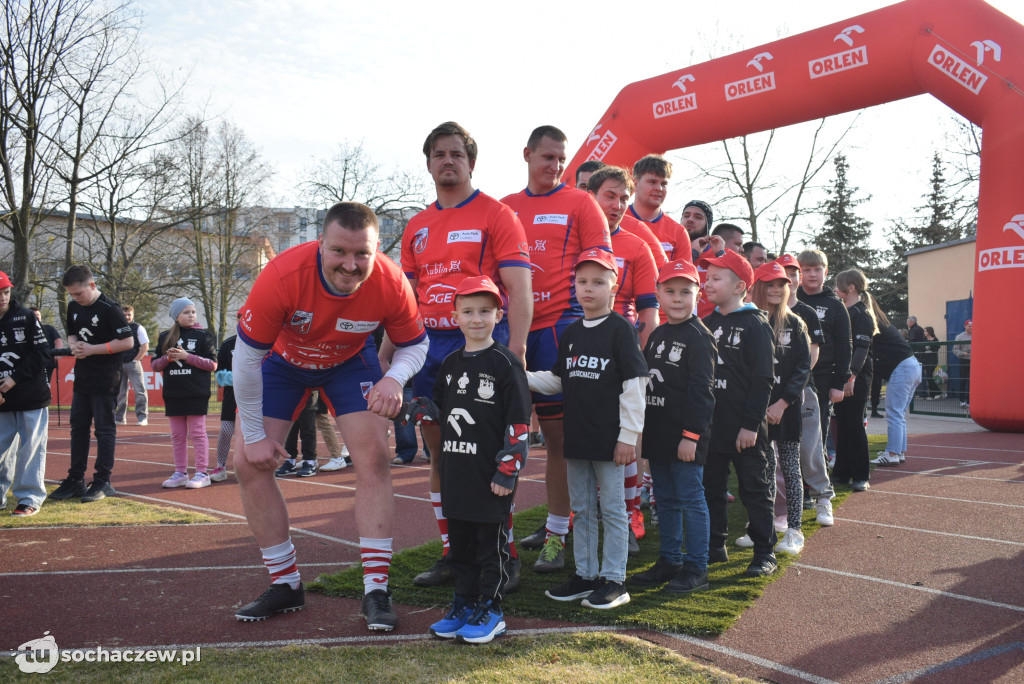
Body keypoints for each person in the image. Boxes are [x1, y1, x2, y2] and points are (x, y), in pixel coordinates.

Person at [231, 202, 427, 632]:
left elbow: (415, 343)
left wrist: (394, 379)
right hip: (283, 363)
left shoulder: (391, 280)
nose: (351, 265)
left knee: (374, 456)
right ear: (320, 243)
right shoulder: (282, 275)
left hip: (349, 363)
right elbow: (245, 361)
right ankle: (285, 583)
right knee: (247, 461)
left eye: (362, 254)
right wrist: (254, 434)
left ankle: (376, 589)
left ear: (378, 249)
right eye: (339, 251)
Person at [398, 122, 531, 588]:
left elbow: (519, 288)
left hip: (480, 346)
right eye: (438, 154)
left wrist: (516, 351)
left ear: (471, 162)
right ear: (429, 163)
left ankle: (503, 554)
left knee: (489, 454)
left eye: (456, 153)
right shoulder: (416, 225)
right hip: (429, 350)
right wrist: (389, 356)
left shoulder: (497, 214)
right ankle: (453, 554)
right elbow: (405, 300)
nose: (447, 161)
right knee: (443, 455)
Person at [530, 249, 647, 610]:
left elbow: (635, 384)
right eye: (582, 281)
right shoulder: (571, 333)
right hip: (577, 437)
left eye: (598, 282)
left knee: (612, 510)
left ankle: (614, 580)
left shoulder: (621, 330)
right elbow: (557, 380)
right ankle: (585, 575)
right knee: (581, 508)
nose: (588, 288)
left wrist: (628, 437)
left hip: (610, 440)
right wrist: (519, 375)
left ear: (614, 287)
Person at [421, 276, 530, 644]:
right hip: (456, 472)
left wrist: (508, 469)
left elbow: (519, 422)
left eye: (485, 311)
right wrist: (419, 409)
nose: (476, 318)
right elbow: (441, 410)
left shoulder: (505, 363)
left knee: (490, 548)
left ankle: (491, 610)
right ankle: (464, 604)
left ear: (499, 315)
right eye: (468, 311)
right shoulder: (450, 363)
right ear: (455, 317)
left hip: (491, 476)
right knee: (461, 546)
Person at [587, 164, 659, 550]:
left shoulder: (636, 246)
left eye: (623, 198)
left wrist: (638, 361)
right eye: (609, 196)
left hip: (622, 353)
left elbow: (649, 309)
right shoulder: (573, 241)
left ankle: (631, 515)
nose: (616, 205)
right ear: (592, 197)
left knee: (626, 439)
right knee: (578, 440)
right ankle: (571, 520)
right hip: (579, 351)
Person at [630, 260, 714, 593]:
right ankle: (670, 559)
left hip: (685, 437)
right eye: (670, 291)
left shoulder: (700, 337)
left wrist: (691, 436)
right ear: (658, 294)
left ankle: (697, 567)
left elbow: (702, 392)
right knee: (664, 498)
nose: (677, 298)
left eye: (685, 292)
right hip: (658, 432)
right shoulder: (658, 334)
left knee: (690, 499)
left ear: (698, 294)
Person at [700, 250, 777, 577]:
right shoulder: (706, 323)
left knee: (754, 490)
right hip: (712, 428)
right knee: (711, 488)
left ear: (739, 286)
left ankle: (765, 552)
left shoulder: (755, 324)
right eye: (706, 278)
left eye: (716, 278)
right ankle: (715, 545)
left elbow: (763, 379)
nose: (707, 284)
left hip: (746, 430)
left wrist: (750, 425)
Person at [49, 265, 133, 503]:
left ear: (92, 285)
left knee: (104, 429)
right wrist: (74, 344)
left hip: (106, 377)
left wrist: (93, 349)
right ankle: (75, 479)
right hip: (83, 376)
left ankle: (103, 481)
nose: (75, 298)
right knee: (78, 427)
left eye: (79, 293)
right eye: (71, 294)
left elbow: (127, 342)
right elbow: (72, 332)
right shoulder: (74, 307)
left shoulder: (110, 309)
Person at [748, 262, 811, 554]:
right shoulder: (750, 321)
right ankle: (764, 526)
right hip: (756, 410)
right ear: (758, 287)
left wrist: (783, 403)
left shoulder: (795, 323)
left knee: (790, 467)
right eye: (770, 284)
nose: (776, 290)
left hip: (786, 409)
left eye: (781, 285)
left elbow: (802, 368)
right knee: (763, 469)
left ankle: (795, 530)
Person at [774, 254, 834, 526]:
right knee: (777, 457)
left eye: (793, 273)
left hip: (802, 391)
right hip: (772, 393)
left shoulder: (807, 313)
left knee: (810, 449)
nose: (789, 279)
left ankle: (823, 498)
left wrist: (793, 388)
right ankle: (781, 510)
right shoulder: (764, 312)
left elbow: (812, 356)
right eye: (783, 274)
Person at [0, 273, 52, 516]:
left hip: (31, 395)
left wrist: (15, 378)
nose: (2, 298)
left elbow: (42, 353)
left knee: (30, 449)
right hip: (2, 399)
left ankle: (29, 498)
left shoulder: (26, 316)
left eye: (5, 292)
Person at [152, 298, 218, 489]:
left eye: (193, 312)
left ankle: (202, 473)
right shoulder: (165, 336)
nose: (191, 315)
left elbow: (212, 365)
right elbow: (155, 365)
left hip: (196, 392)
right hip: (173, 393)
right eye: (186, 312)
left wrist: (187, 357)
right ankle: (180, 473)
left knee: (197, 433)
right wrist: (167, 358)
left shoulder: (204, 336)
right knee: (177, 435)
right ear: (176, 316)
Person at [796, 250, 851, 473]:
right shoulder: (790, 299)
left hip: (822, 378)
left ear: (825, 272)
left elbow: (844, 346)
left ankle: (817, 482)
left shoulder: (835, 305)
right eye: (806, 270)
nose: (812, 274)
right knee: (791, 433)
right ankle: (794, 482)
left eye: (817, 269)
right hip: (790, 377)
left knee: (817, 432)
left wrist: (839, 383)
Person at [831, 269, 877, 492]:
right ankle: (842, 472)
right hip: (842, 376)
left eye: (838, 285)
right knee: (842, 425)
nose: (834, 288)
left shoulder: (862, 314)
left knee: (855, 426)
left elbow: (861, 349)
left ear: (850, 288)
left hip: (856, 379)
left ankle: (861, 475)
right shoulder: (843, 310)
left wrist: (851, 376)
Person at [869, 302, 921, 467]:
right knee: (899, 414)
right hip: (911, 366)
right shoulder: (882, 322)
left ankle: (892, 454)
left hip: (902, 368)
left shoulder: (872, 322)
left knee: (894, 414)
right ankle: (898, 452)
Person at [629, 155, 692, 262]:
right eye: (652, 182)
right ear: (635, 184)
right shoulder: (615, 221)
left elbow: (684, 272)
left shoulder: (678, 232)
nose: (659, 188)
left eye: (664, 184)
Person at [114, 305, 150, 426]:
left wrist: (135, 360)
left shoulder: (138, 328)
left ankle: (142, 417)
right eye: (124, 314)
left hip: (133, 364)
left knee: (139, 391)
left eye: (129, 314)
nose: (127, 317)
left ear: (133, 315)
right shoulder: (116, 327)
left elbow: (145, 346)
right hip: (119, 365)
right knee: (120, 393)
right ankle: (120, 418)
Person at [212, 330, 236, 482]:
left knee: (250, 434)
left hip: (256, 397)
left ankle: (248, 467)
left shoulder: (263, 342)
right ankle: (221, 466)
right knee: (226, 431)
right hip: (232, 396)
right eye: (241, 319)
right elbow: (219, 373)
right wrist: (239, 378)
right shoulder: (228, 344)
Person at [29, 307, 63, 385]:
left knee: (47, 384)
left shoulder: (48, 328)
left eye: (38, 315)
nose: (37, 317)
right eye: (34, 315)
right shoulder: (26, 330)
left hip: (48, 362)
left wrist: (58, 352)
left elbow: (58, 340)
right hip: (32, 363)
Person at [921, 326, 944, 400]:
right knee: (929, 377)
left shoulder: (935, 340)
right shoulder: (924, 340)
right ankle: (935, 393)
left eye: (925, 331)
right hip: (926, 361)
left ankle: (935, 393)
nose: (924, 332)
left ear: (929, 332)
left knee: (929, 376)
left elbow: (937, 348)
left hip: (933, 361)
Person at [953, 320, 972, 408]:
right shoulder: (959, 337)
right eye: (969, 326)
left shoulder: (977, 335)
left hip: (974, 361)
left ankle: (970, 401)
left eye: (972, 326)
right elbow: (955, 349)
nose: (971, 328)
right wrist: (962, 353)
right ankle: (962, 401)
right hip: (964, 360)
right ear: (965, 326)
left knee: (972, 381)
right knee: (963, 380)